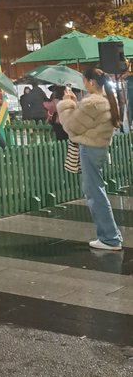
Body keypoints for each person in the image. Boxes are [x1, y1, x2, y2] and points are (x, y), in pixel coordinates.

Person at [57, 68, 123, 252]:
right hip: (99, 148)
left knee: (94, 193)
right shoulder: (106, 99)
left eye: (84, 80)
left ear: (91, 82)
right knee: (96, 191)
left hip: (90, 149)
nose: (83, 84)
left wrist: (67, 105)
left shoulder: (92, 103)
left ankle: (110, 238)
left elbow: (71, 126)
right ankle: (112, 235)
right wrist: (76, 104)